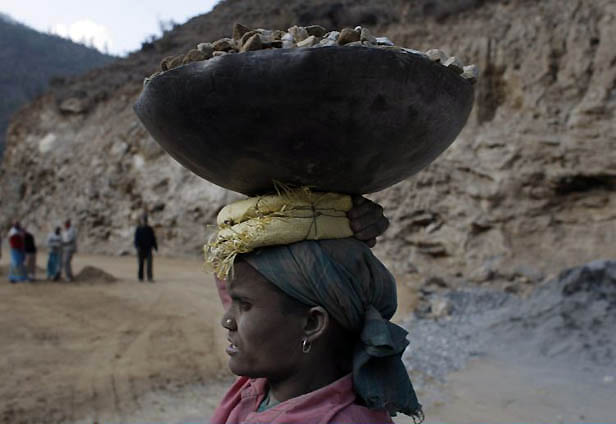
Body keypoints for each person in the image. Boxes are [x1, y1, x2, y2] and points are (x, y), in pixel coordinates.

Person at [207, 192, 422, 424]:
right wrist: (332, 218)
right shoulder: (260, 388)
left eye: (244, 305)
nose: (227, 320)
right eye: (234, 302)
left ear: (312, 323)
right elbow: (235, 276)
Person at [134, 214, 158, 282]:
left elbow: (153, 238)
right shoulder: (138, 229)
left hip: (148, 249)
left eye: (145, 219)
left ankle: (150, 277)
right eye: (143, 220)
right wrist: (137, 246)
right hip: (140, 249)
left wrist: (155, 246)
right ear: (141, 221)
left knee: (149, 264)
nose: (144, 221)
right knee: (141, 264)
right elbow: (136, 239)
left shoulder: (149, 229)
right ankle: (140, 277)